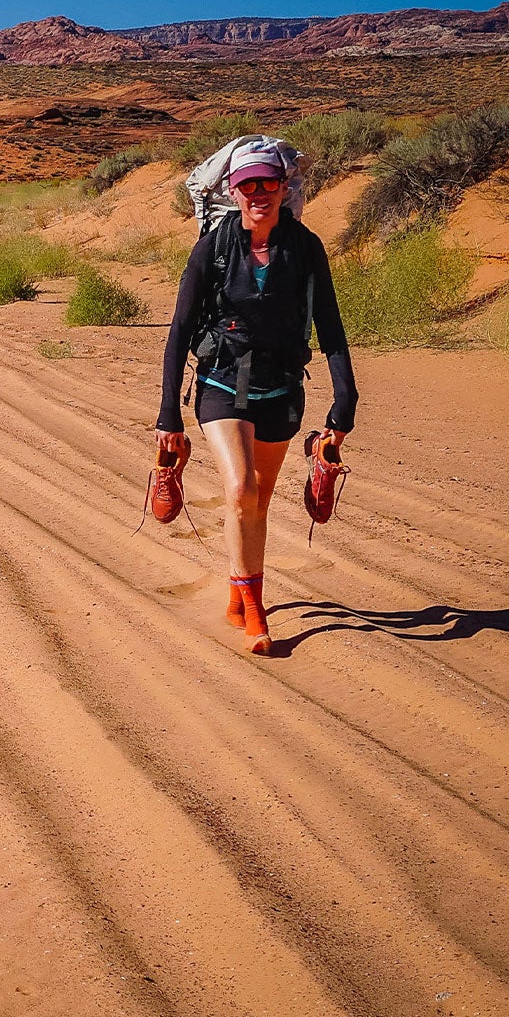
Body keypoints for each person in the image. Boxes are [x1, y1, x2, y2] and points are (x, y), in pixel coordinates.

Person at [156, 142, 356, 654]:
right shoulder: (214, 248)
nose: (259, 193)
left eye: (268, 183)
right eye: (248, 185)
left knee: (258, 500)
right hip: (224, 380)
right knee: (242, 488)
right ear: (233, 191)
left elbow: (329, 323)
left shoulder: (305, 247)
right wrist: (167, 414)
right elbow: (180, 329)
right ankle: (255, 611)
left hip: (282, 385)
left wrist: (345, 396)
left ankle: (235, 589)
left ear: (284, 188)